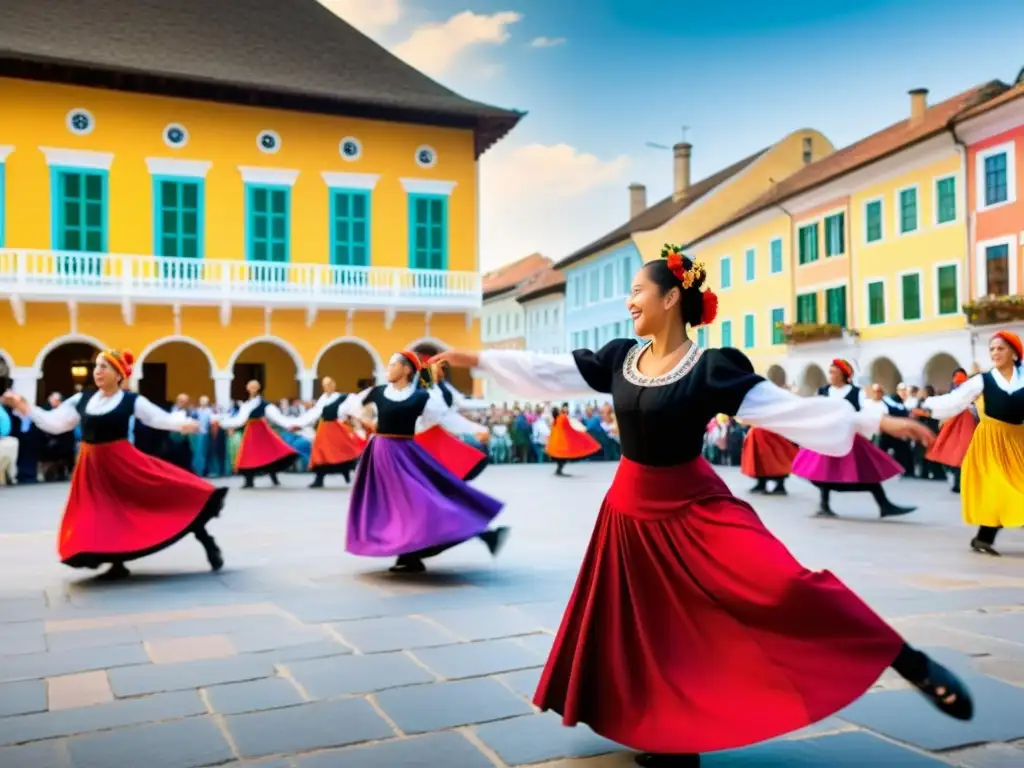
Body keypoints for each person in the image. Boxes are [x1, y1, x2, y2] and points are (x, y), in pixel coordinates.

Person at [432, 246, 971, 767]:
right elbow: (549, 372)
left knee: (783, 584)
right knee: (652, 631)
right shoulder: (622, 356)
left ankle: (906, 659)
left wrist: (874, 420)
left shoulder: (711, 367)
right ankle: (673, 733)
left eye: (638, 291)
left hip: (693, 505)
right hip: (628, 512)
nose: (630, 302)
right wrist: (474, 358)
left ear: (671, 299)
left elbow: (784, 409)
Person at [1, 349, 226, 581]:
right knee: (105, 513)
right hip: (92, 467)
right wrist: (23, 407)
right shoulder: (83, 399)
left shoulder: (131, 400)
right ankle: (117, 562)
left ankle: (205, 539)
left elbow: (157, 418)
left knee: (159, 497)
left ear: (118, 375)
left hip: (123, 462)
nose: (98, 371)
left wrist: (183, 424)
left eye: (104, 367)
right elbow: (56, 424)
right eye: (96, 366)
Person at [336, 350, 509, 574]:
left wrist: (476, 429)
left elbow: (443, 418)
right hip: (380, 455)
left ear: (407, 369)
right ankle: (409, 556)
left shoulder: (421, 397)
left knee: (422, 501)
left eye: (392, 365)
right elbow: (350, 407)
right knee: (400, 506)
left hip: (405, 453)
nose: (388, 369)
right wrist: (365, 421)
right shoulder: (377, 392)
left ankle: (481, 534)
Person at [917, 332, 1023, 556]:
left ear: (1014, 353)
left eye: (1000, 348)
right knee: (1001, 489)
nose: (995, 353)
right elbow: (955, 401)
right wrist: (927, 404)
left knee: (1013, 489)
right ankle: (984, 538)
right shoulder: (982, 380)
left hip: (1018, 442)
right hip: (990, 443)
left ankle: (983, 539)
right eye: (992, 349)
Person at [790, 359, 916, 518]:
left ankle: (884, 504)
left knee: (865, 470)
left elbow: (865, 412)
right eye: (830, 372)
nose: (831, 375)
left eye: (834, 372)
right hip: (826, 438)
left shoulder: (857, 392)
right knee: (820, 470)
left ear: (844, 374)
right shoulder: (823, 391)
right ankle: (824, 504)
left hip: (849, 437)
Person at [414, 361, 492, 482]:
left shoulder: (443, 387)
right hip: (434, 430)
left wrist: (486, 404)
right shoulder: (421, 393)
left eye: (440, 369)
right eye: (436, 369)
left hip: (450, 423)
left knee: (482, 438)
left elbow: (461, 402)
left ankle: (459, 479)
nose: (439, 371)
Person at [217, 380, 299, 488]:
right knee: (249, 455)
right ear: (247, 388)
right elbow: (239, 420)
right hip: (251, 431)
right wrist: (224, 423)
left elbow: (277, 418)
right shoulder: (246, 405)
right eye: (251, 387)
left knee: (269, 453)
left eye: (255, 387)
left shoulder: (265, 404)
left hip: (262, 430)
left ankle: (273, 477)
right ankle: (249, 481)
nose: (253, 389)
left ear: (258, 388)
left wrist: (290, 425)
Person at [291, 376, 368, 488]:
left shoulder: (344, 398)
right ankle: (319, 479)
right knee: (320, 453)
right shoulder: (323, 399)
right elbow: (313, 415)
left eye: (330, 383)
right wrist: (298, 424)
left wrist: (360, 422)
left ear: (334, 384)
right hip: (323, 430)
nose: (328, 386)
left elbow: (354, 410)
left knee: (342, 452)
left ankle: (346, 472)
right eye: (325, 385)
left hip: (336, 429)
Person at [921, 369, 978, 494]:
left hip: (958, 419)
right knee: (963, 453)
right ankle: (962, 482)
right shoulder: (969, 385)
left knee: (957, 453)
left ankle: (959, 482)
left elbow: (950, 404)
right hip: (965, 420)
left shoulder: (958, 385)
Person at [740, 422, 798, 495]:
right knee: (760, 463)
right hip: (760, 434)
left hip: (772, 435)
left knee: (776, 462)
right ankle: (761, 483)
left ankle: (779, 486)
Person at [546, 402, 601, 476]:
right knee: (562, 457)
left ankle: (559, 469)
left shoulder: (556, 419)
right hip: (561, 441)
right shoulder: (561, 418)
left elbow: (559, 429)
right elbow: (568, 428)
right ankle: (559, 469)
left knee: (560, 457)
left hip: (557, 441)